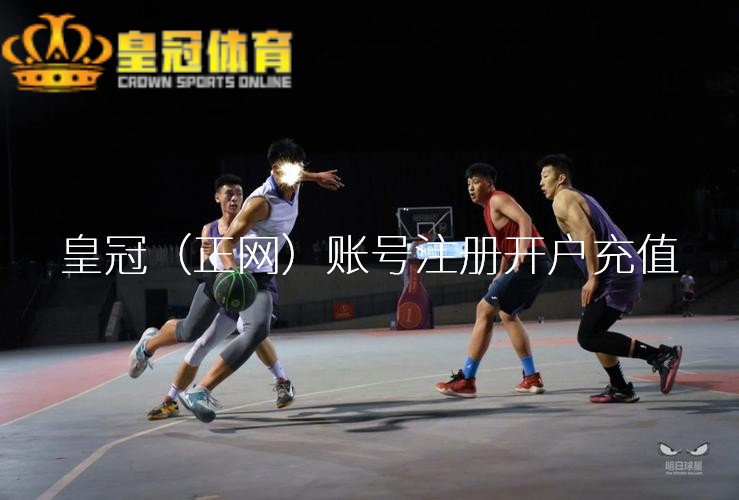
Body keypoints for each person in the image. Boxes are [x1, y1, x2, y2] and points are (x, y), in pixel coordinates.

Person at [129, 140, 343, 422]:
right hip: (227, 272)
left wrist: (317, 177)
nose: (295, 176)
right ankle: (148, 345)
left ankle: (200, 391)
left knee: (257, 330)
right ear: (275, 170)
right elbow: (227, 243)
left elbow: (297, 174)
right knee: (190, 331)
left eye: (298, 170)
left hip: (259, 275)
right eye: (289, 171)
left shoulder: (293, 180)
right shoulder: (260, 203)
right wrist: (233, 272)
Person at [140, 174, 294, 420]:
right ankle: (170, 398)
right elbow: (206, 268)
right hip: (226, 290)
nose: (234, 199)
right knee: (198, 341)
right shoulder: (209, 230)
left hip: (252, 286)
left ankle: (282, 381)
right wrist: (216, 265)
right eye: (229, 194)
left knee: (253, 330)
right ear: (217, 197)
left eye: (238, 194)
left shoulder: (254, 218)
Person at [538, 154, 683, 403]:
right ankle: (620, 388)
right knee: (595, 330)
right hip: (622, 269)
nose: (541, 182)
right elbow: (615, 231)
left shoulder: (563, 198)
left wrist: (593, 278)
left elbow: (587, 233)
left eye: (545, 176)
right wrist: (632, 279)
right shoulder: (584, 198)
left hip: (613, 273)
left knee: (588, 336)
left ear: (560, 178)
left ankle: (661, 356)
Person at [435, 163, 552, 398]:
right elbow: (506, 246)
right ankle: (531, 378)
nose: (471, 187)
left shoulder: (497, 199)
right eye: (468, 183)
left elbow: (525, 219)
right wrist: (501, 271)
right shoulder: (488, 210)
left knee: (484, 309)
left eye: (476, 182)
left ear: (489, 183)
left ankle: (467, 380)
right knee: (507, 314)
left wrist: (522, 249)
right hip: (537, 261)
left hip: (529, 258)